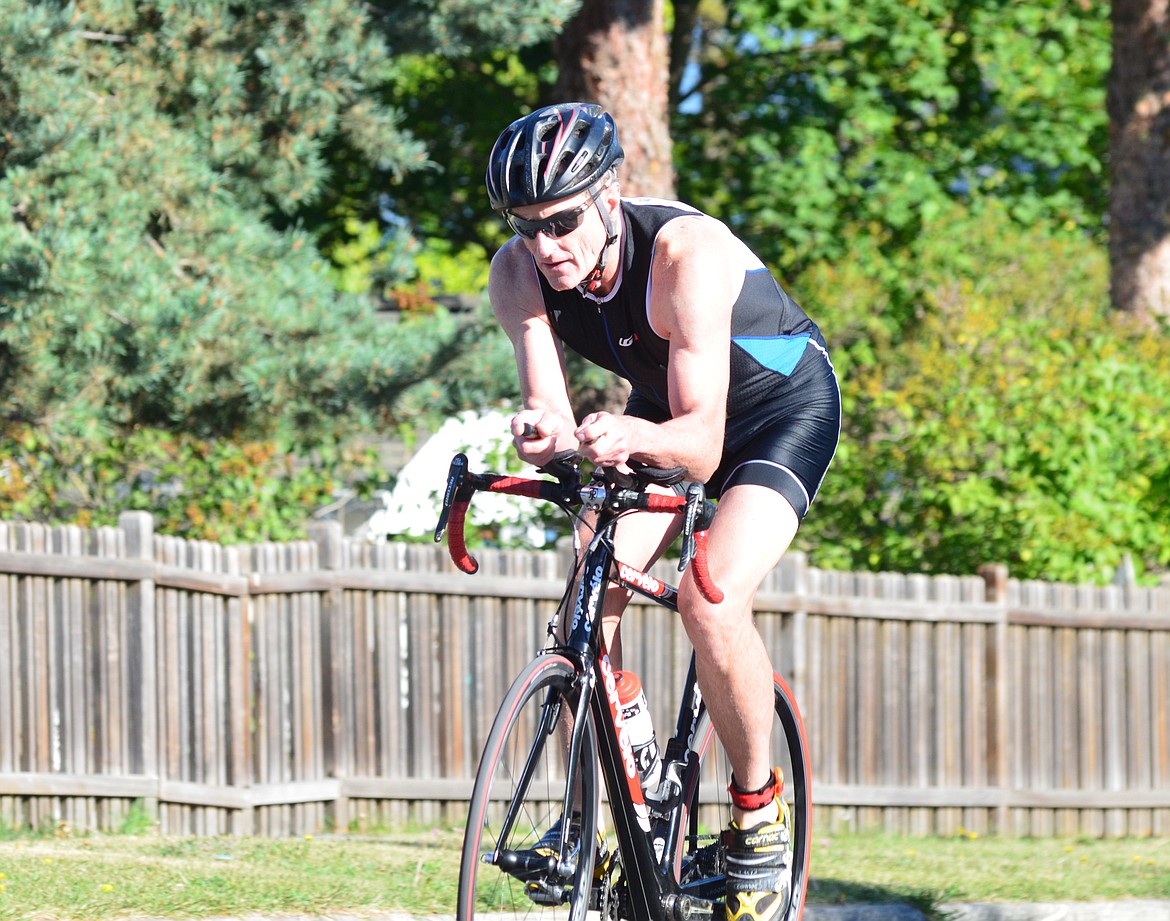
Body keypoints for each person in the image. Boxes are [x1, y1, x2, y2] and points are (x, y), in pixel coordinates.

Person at [485, 102, 840, 921]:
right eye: (526, 226)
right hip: (664, 410)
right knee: (583, 605)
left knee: (708, 596)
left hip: (775, 412)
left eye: (564, 220)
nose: (547, 246)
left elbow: (704, 447)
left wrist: (628, 433)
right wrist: (544, 435)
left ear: (608, 196)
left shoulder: (685, 252)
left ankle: (758, 815)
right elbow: (549, 410)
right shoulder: (517, 274)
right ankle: (611, 804)